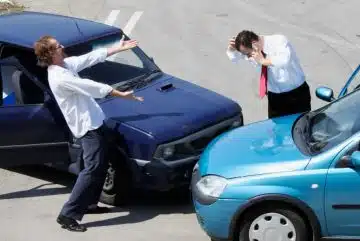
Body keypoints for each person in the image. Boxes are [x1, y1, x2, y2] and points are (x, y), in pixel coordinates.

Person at [34, 35, 144, 232]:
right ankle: (67, 215)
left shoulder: (65, 65)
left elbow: (89, 58)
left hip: (96, 123)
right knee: (92, 169)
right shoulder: (60, 77)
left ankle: (90, 204)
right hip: (88, 129)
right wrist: (120, 94)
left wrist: (118, 48)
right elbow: (91, 87)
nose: (62, 46)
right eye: (58, 46)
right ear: (51, 53)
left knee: (99, 165)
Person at [226, 30, 311, 118]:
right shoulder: (251, 50)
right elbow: (234, 58)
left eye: (248, 54)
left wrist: (263, 61)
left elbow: (284, 60)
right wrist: (231, 49)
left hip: (296, 94)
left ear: (254, 43)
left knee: (301, 126)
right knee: (277, 128)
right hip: (274, 97)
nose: (248, 57)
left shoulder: (278, 41)